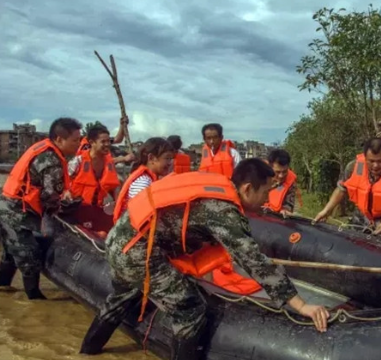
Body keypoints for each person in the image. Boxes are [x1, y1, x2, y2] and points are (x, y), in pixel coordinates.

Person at [79, 159, 329, 360]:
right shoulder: (223, 211)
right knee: (191, 310)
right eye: (265, 192)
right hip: (137, 252)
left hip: (120, 240)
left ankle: (87, 351)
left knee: (120, 298)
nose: (267, 199)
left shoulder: (219, 185)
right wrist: (301, 305)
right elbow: (255, 261)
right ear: (247, 189)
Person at [0, 117, 82, 299]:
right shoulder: (51, 160)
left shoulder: (44, 148)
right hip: (16, 211)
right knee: (29, 255)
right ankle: (35, 298)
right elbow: (50, 197)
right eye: (75, 140)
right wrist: (63, 210)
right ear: (60, 139)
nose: (78, 144)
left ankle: (3, 286)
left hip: (8, 205)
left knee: (11, 252)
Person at [314, 138, 381, 240]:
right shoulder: (353, 167)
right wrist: (326, 210)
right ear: (365, 158)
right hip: (359, 222)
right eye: (371, 161)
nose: (375, 165)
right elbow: (341, 189)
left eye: (380, 161)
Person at [112, 137, 174, 222]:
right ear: (151, 158)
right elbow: (141, 216)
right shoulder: (143, 182)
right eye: (167, 158)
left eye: (171, 159)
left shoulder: (149, 179)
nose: (170, 163)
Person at [68, 125, 130, 206]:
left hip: (97, 208)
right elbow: (64, 184)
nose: (107, 144)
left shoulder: (109, 162)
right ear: (91, 142)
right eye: (103, 142)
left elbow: (114, 187)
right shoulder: (77, 162)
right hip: (75, 208)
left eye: (108, 141)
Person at [263, 149, 298, 216]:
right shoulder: (258, 176)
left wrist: (285, 211)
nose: (281, 176)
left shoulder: (290, 182)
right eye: (277, 172)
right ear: (270, 167)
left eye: (284, 172)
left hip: (275, 218)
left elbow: (289, 205)